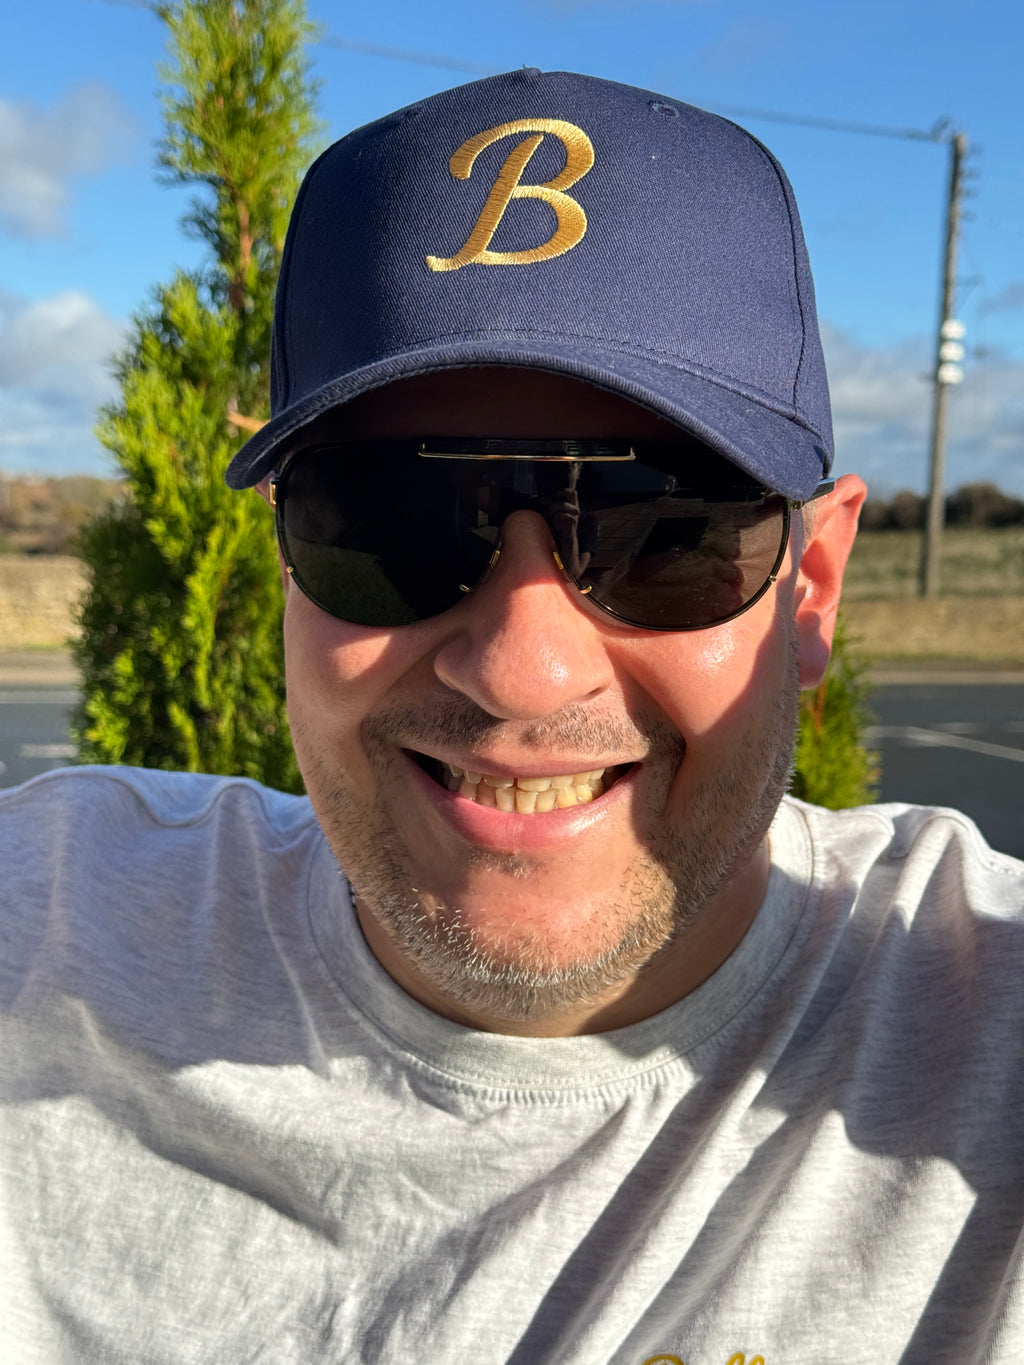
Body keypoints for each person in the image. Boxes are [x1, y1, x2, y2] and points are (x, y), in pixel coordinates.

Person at [2, 68, 1022, 1365]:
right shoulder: (46, 930)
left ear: (810, 588)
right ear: (283, 563)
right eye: (386, 521)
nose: (523, 668)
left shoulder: (984, 1039)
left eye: (670, 531)